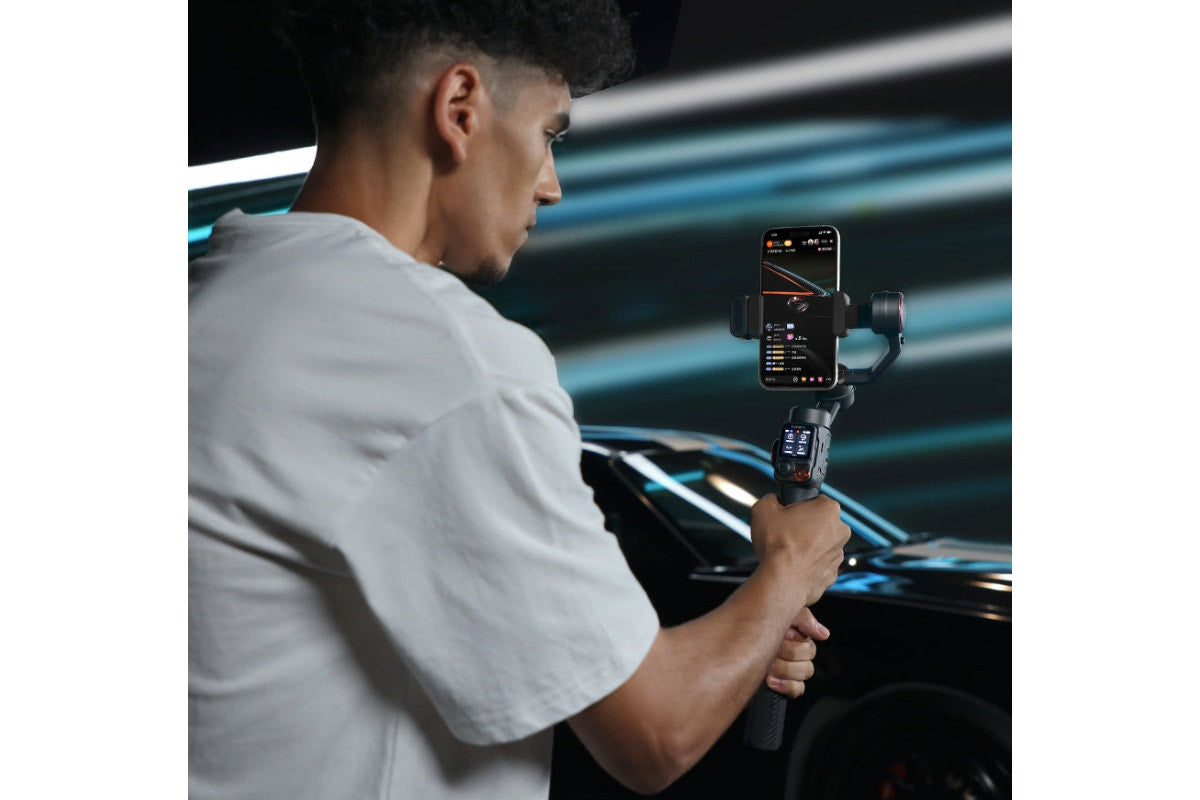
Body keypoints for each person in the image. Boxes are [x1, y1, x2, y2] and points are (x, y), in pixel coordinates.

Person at [188, 1, 851, 798]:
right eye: (548, 135)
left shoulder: (206, 297)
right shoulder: (447, 356)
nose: (551, 186)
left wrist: (744, 631)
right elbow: (657, 735)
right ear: (459, 108)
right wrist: (788, 569)